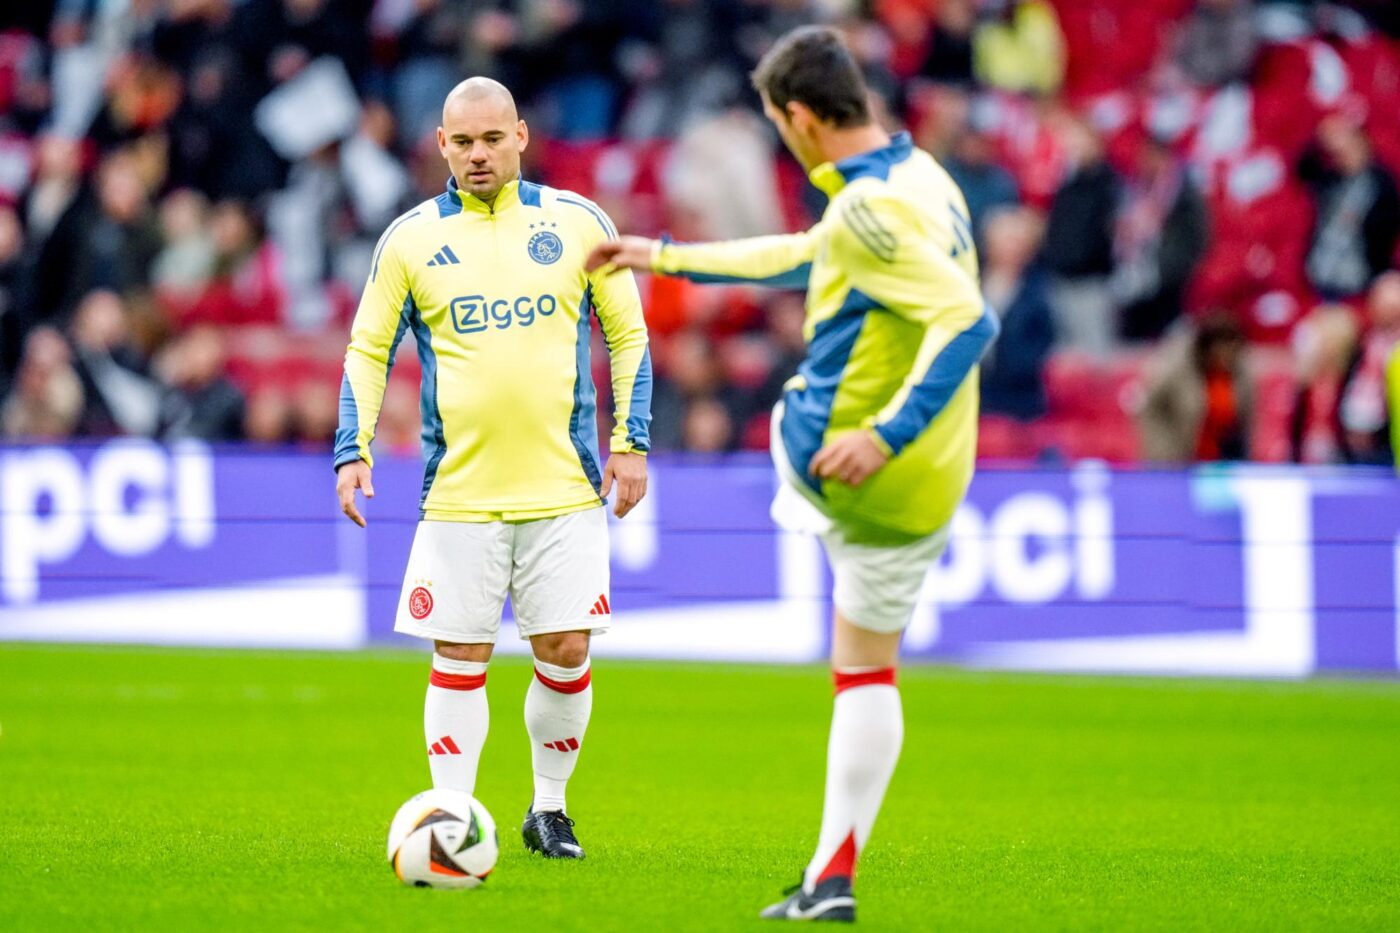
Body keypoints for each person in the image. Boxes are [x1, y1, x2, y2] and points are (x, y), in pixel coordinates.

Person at [588, 26, 997, 922]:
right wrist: (664, 256)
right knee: (866, 670)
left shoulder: (865, 210)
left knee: (789, 409)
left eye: (778, 123)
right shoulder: (920, 178)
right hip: (938, 476)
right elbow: (810, 250)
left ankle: (831, 877)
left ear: (803, 118)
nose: (783, 137)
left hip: (857, 466)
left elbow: (970, 320)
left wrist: (882, 435)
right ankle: (829, 878)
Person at [334, 78, 652, 861]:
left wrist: (631, 440)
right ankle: (451, 814)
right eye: (464, 142)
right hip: (460, 493)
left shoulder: (578, 222)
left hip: (564, 486)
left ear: (521, 136)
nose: (479, 155)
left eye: (492, 139)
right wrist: (353, 447)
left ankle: (550, 809)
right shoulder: (410, 239)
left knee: (566, 650)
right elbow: (368, 347)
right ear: (442, 146)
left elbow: (629, 335)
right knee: (460, 655)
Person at [1138, 313, 1253, 463]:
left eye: (1232, 349)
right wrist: (1162, 452)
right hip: (1179, 458)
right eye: (1221, 348)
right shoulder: (1178, 370)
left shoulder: (1241, 376)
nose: (1227, 354)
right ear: (1207, 348)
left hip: (1221, 461)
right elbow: (1149, 407)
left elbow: (1244, 425)